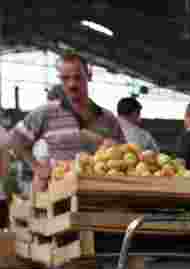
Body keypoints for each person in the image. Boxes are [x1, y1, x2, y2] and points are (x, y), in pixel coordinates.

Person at [1, 51, 125, 192]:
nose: (72, 84)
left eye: (78, 77)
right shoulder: (46, 113)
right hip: (60, 197)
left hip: (98, 196)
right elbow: (15, 140)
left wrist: (113, 146)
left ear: (89, 76)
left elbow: (124, 155)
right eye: (65, 78)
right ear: (60, 79)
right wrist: (37, 168)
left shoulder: (107, 118)